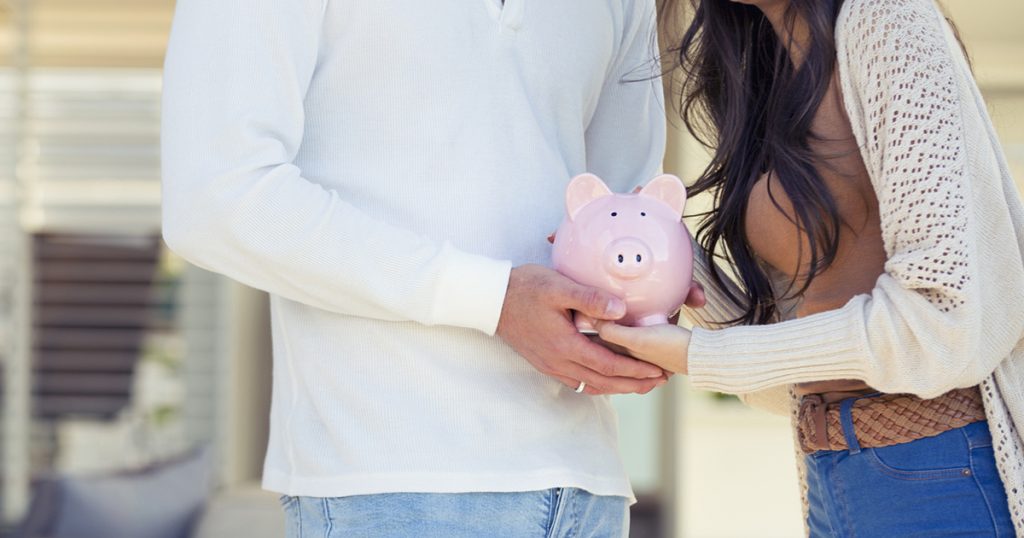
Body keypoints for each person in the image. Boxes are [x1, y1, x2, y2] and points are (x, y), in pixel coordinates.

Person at [159, 0, 693, 536]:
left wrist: (644, 305)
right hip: (389, 485)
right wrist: (493, 300)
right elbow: (216, 197)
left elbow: (624, 208)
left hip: (586, 488)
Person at [595, 0, 1024, 535]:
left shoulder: (889, 18)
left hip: (938, 472)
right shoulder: (769, 72)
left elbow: (945, 322)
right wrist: (664, 257)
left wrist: (701, 355)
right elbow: (790, 375)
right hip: (836, 475)